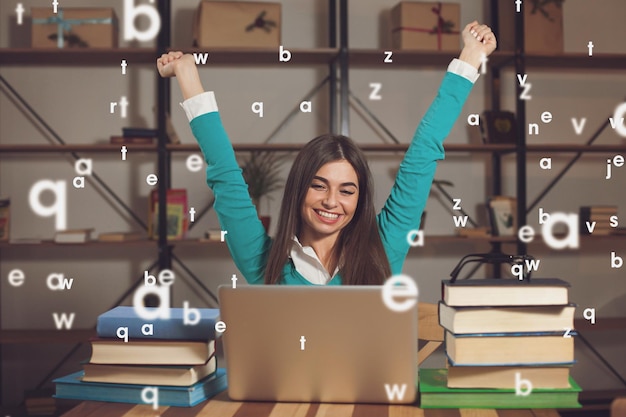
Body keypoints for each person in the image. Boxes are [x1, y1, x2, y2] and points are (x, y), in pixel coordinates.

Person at [157, 21, 497, 286]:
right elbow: (225, 174)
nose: (331, 202)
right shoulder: (263, 260)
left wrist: (470, 58)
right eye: (319, 185)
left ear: (359, 198)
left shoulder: (385, 247)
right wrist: (188, 74)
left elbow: (423, 153)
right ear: (299, 188)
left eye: (346, 190)